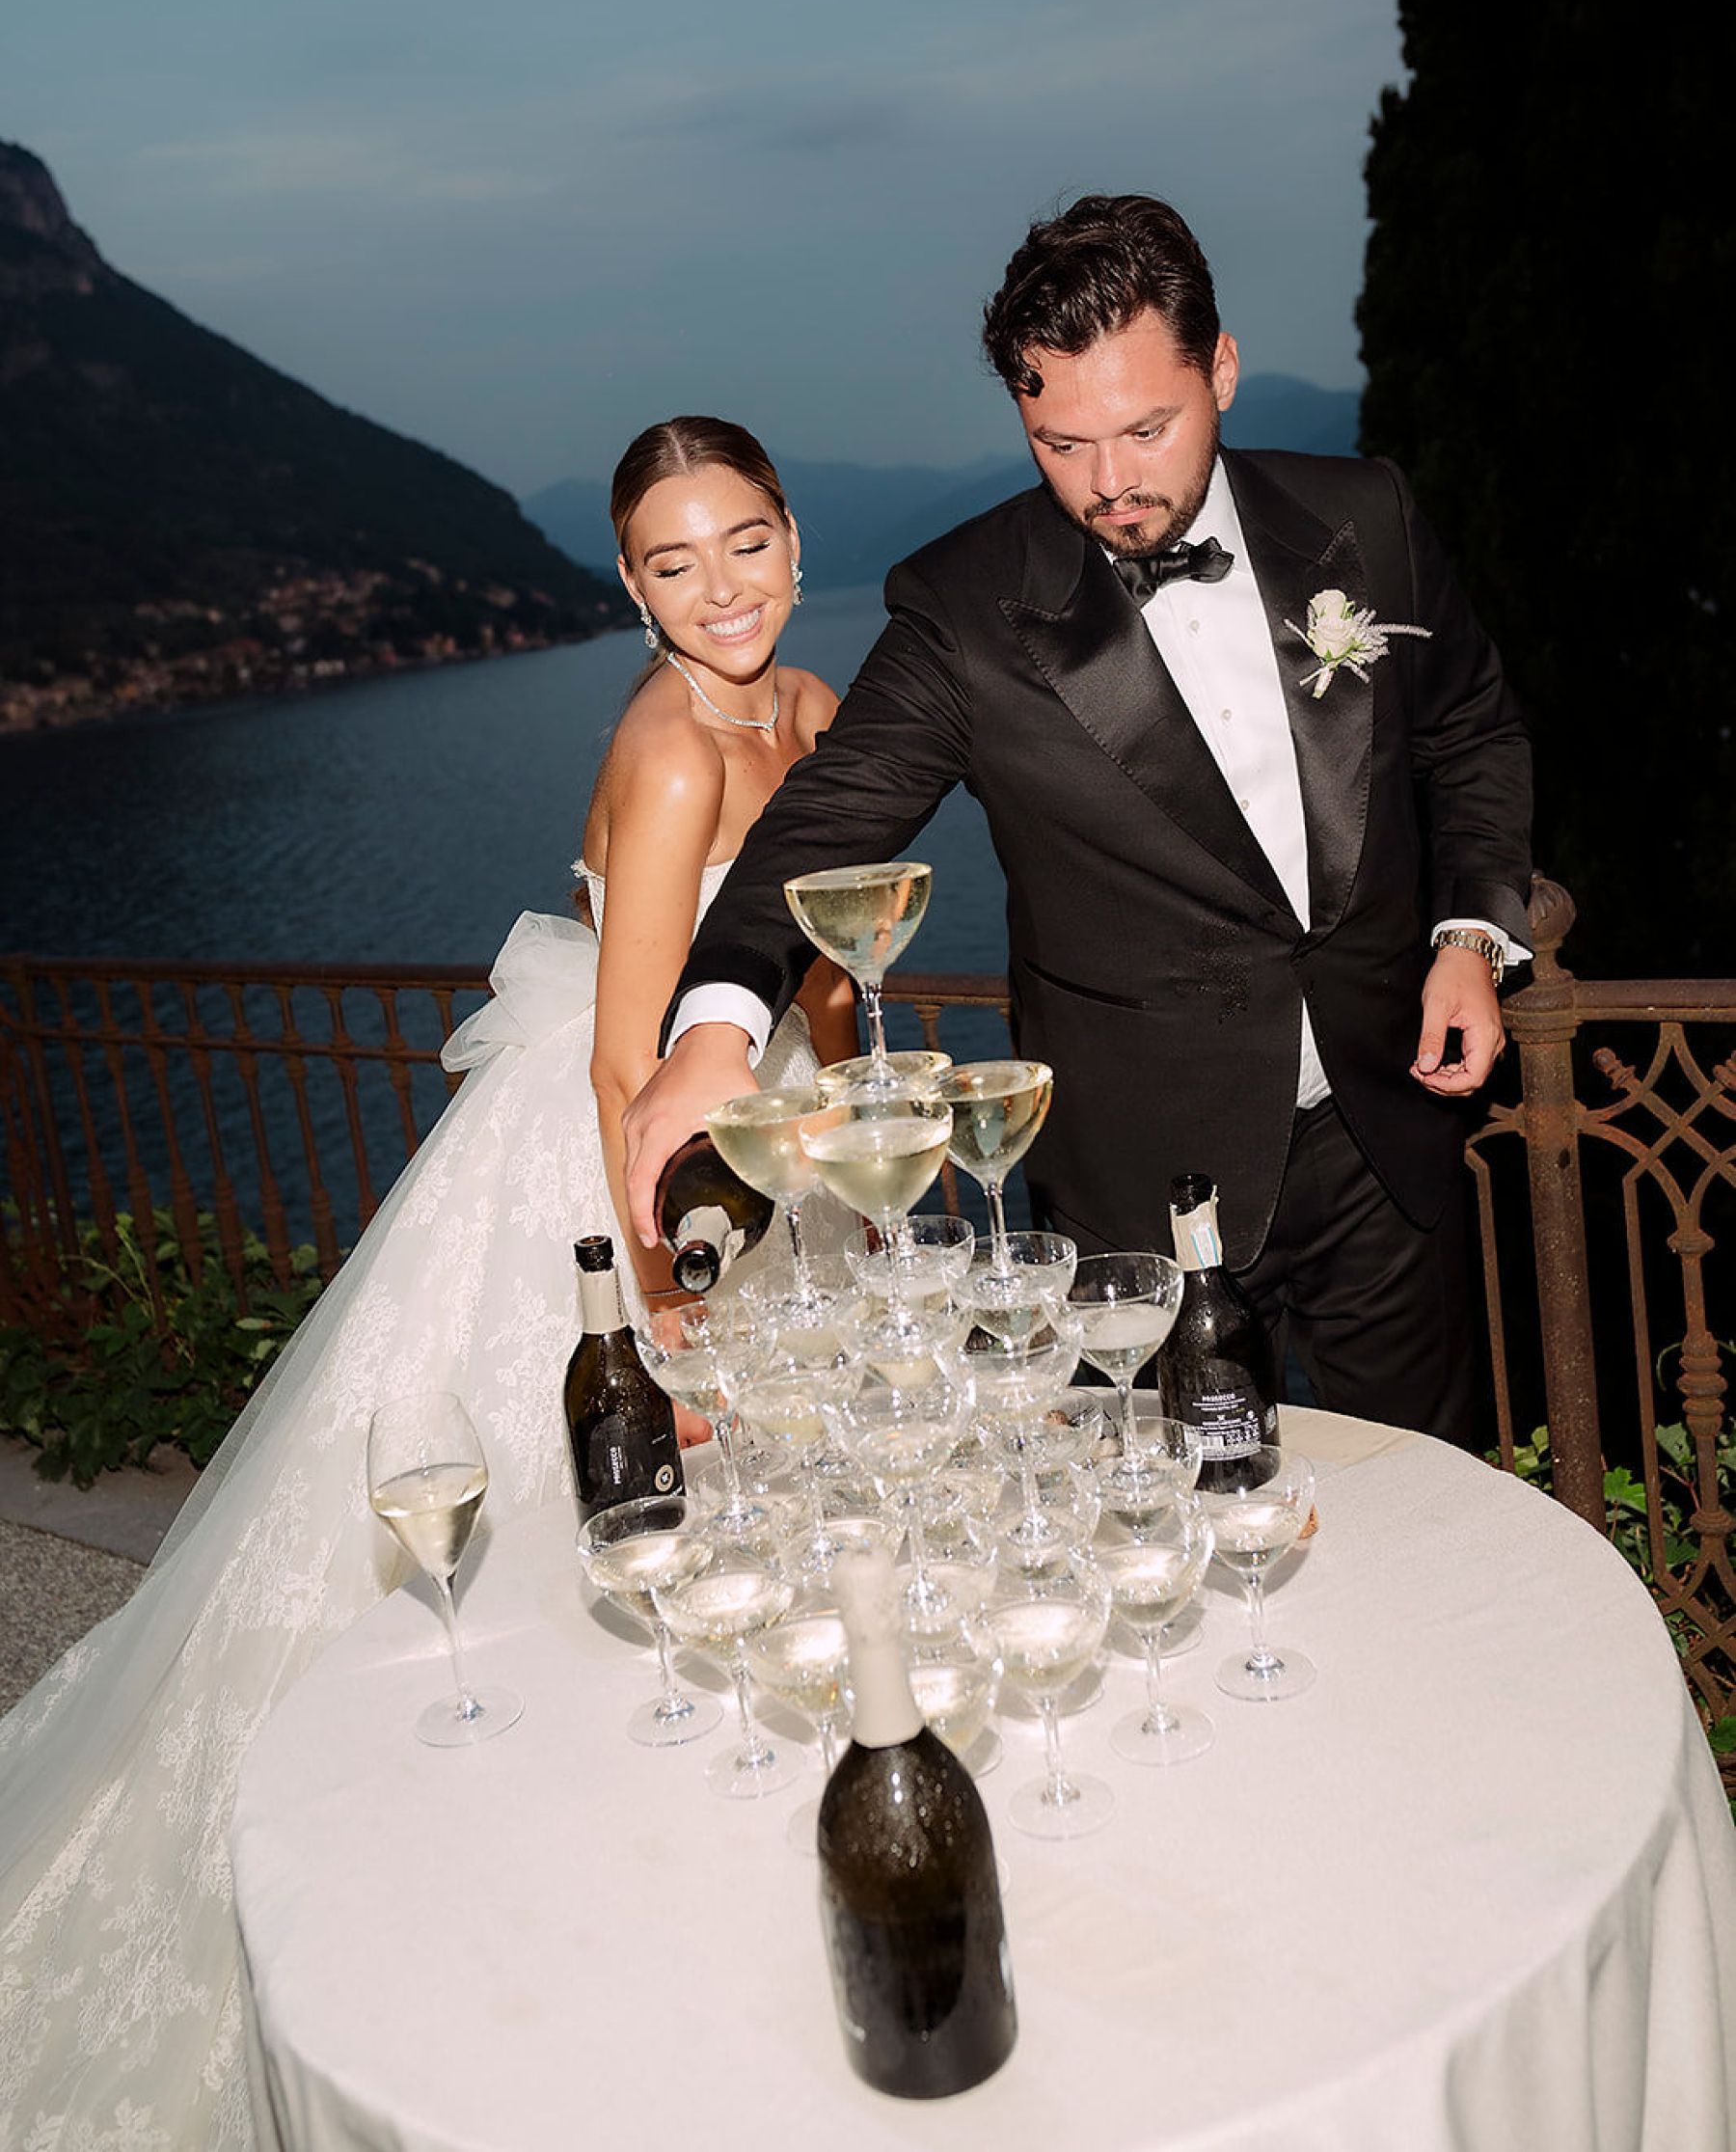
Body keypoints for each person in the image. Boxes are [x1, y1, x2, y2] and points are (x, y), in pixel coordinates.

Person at [0, 417, 853, 2149]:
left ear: (787, 528)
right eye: (674, 563)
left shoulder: (816, 710)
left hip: (780, 1153)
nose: (722, 589)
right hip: (636, 1181)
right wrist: (659, 1300)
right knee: (580, 1555)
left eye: (746, 542)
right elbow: (629, 1074)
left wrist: (851, 1134)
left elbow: (832, 979)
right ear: (627, 583)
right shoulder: (675, 751)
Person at [625, 195, 1533, 1444]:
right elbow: (824, 818)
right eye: (1061, 443)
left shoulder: (1364, 516)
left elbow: (1474, 728)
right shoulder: (963, 610)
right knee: (1182, 1542)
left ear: (1221, 367)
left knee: (1437, 1501)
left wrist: (1471, 936)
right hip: (1143, 1204)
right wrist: (716, 1024)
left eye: (1147, 429)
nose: (1110, 485)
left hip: (1389, 1140)